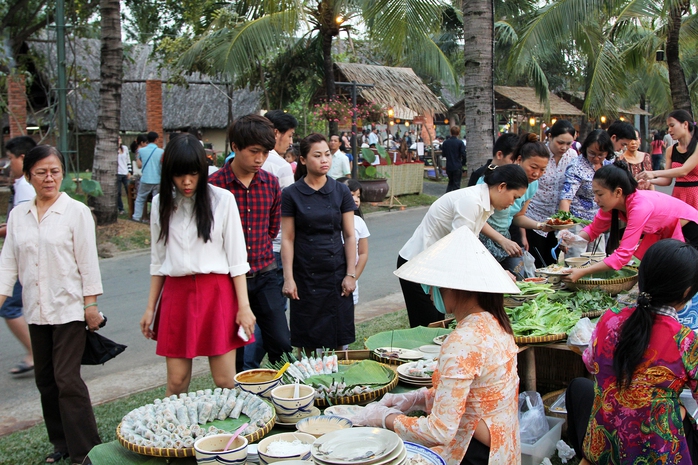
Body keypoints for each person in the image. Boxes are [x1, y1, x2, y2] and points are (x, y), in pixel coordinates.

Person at [347, 226, 522, 465]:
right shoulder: (495, 322)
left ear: (454, 287)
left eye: (433, 285)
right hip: (501, 446)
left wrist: (385, 418)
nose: (428, 293)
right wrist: (417, 398)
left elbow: (440, 431)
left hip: (475, 452)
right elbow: (469, 396)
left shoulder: (463, 341)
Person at [0, 145, 104, 464]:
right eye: (42, 172)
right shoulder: (19, 215)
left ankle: (86, 450)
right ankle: (61, 443)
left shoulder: (76, 212)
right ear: (29, 175)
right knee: (45, 380)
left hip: (70, 309)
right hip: (36, 310)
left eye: (55, 171)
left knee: (66, 379)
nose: (49, 178)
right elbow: (8, 263)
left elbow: (87, 262)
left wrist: (90, 305)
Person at [139, 134, 256, 395]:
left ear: (203, 171)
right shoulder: (161, 204)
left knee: (225, 381)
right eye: (179, 175)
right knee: (177, 382)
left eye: (193, 174)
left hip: (217, 294)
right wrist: (150, 308)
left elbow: (237, 260)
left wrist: (244, 308)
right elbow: (158, 260)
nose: (187, 182)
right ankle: (176, 434)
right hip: (176, 294)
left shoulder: (222, 200)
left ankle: (238, 434)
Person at [566, 239, 698, 464]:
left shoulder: (609, 318)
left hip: (604, 447)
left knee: (579, 387)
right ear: (687, 291)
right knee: (682, 415)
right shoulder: (685, 340)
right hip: (656, 454)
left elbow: (590, 363)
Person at [398, 164, 529, 327]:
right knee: (428, 327)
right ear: (502, 187)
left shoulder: (482, 201)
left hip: (434, 265)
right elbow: (460, 247)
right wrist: (497, 272)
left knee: (438, 324)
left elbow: (472, 244)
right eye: (515, 197)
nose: (514, 203)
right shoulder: (471, 201)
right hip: (417, 264)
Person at [209, 115, 292, 371]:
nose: (259, 159)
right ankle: (240, 391)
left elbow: (271, 229)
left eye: (265, 153)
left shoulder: (270, 184)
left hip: (265, 273)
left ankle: (281, 386)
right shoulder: (214, 187)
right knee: (234, 345)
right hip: (228, 278)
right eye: (254, 151)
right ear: (235, 147)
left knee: (280, 339)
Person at [281, 133, 356, 353]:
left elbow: (350, 236)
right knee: (306, 341)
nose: (325, 160)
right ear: (303, 160)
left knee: (339, 339)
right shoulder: (291, 194)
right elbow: (287, 238)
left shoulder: (341, 190)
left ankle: (339, 386)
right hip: (304, 276)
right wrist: (288, 279)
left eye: (327, 155)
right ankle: (307, 385)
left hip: (336, 275)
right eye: (317, 155)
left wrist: (350, 274)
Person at [564, 159, 698, 283]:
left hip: (690, 231)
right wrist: (573, 239)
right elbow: (593, 229)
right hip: (668, 235)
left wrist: (583, 272)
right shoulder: (614, 204)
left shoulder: (639, 207)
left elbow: (623, 255)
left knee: (686, 279)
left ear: (617, 192)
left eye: (599, 194)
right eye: (595, 194)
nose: (595, 199)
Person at [478, 133, 552, 279]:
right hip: (483, 239)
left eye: (543, 170)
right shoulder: (494, 178)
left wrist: (540, 225)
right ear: (519, 160)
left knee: (521, 279)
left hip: (505, 239)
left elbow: (518, 216)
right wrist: (502, 240)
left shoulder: (533, 184)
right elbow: (476, 219)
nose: (537, 174)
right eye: (533, 167)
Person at [0, 136, 36, 376]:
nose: (8, 163)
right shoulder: (24, 184)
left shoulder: (25, 185)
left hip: (23, 257)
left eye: (11, 159)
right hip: (23, 257)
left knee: (10, 307)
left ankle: (36, 353)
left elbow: (23, 222)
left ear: (22, 158)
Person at [526, 120, 578, 267]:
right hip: (534, 214)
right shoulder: (539, 154)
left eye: (569, 144)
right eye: (560, 142)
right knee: (536, 261)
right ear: (549, 136)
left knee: (552, 262)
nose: (564, 147)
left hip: (557, 219)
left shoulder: (572, 156)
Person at [558, 130, 615, 256]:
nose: (596, 158)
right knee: (576, 261)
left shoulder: (609, 164)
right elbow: (566, 199)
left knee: (598, 259)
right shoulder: (576, 166)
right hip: (577, 221)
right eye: (591, 153)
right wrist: (565, 229)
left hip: (599, 221)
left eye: (601, 154)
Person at [638, 110, 698, 209]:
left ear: (685, 124)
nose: (669, 130)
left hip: (695, 196)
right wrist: (650, 181)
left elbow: (683, 171)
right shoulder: (671, 150)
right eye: (668, 127)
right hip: (679, 196)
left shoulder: (696, 146)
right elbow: (667, 180)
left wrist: (654, 173)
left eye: (672, 125)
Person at [340, 178, 369, 305]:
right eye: (351, 195)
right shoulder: (330, 220)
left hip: (351, 278)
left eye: (358, 196)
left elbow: (363, 254)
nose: (356, 199)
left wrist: (353, 278)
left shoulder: (359, 222)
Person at [132, 131, 163, 223]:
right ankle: (155, 218)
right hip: (157, 179)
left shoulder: (141, 151)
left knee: (140, 198)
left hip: (145, 178)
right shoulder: (161, 151)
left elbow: (139, 165)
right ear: (156, 139)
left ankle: (136, 217)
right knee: (156, 200)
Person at [442, 125, 467, 192]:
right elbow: (463, 154)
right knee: (456, 184)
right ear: (458, 133)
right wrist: (463, 163)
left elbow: (443, 154)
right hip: (457, 165)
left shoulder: (445, 143)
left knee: (450, 183)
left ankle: (447, 197)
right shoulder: (460, 143)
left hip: (449, 165)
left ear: (451, 132)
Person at [117, 135, 132, 215]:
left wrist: (129, 171)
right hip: (117, 173)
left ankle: (131, 208)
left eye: (120, 138)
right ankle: (121, 208)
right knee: (118, 192)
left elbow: (128, 159)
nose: (119, 140)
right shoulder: (113, 150)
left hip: (125, 173)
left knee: (128, 191)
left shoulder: (125, 148)